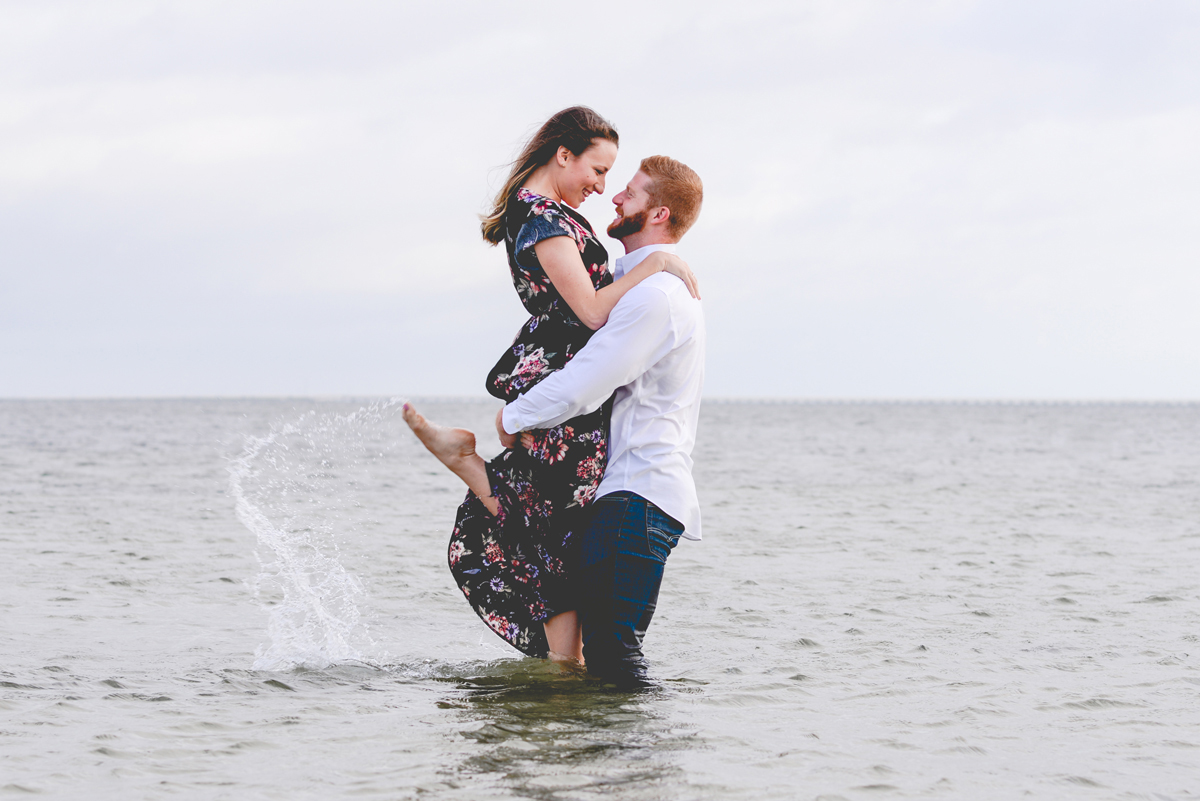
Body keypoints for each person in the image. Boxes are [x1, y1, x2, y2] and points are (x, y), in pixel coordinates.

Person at [401, 107, 697, 664]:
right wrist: (654, 262)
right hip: (563, 375)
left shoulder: (554, 214)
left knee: (551, 519)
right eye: (598, 169)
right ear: (564, 154)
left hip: (563, 374)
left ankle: (567, 671)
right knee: (556, 526)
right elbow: (588, 311)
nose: (602, 186)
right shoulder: (542, 218)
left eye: (612, 177)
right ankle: (567, 672)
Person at [496, 155, 706, 688]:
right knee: (599, 654)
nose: (614, 197)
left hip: (639, 495)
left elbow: (591, 378)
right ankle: (604, 762)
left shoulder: (656, 297)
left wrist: (514, 415)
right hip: (626, 495)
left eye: (630, 194)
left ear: (658, 214)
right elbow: (587, 302)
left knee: (615, 651)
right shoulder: (640, 283)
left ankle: (643, 764)